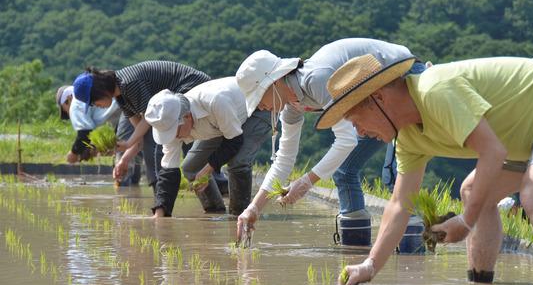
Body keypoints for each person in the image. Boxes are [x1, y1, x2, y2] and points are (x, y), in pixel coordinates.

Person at [316, 54, 533, 285]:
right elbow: (399, 205)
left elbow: (492, 152)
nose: (359, 131)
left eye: (356, 120)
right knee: (474, 192)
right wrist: (370, 266)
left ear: (379, 98)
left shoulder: (434, 90)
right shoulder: (407, 138)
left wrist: (466, 221)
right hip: (525, 139)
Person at [234, 38, 426, 247]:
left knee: (394, 176)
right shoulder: (291, 107)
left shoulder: (315, 80)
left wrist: (307, 181)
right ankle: (356, 254)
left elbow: (346, 140)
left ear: (273, 82)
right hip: (373, 104)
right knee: (344, 170)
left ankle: (411, 263)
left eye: (260, 97)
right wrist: (254, 207)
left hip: (402, 77)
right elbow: (284, 159)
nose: (261, 105)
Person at [72, 60, 227, 214]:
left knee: (159, 144)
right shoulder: (121, 96)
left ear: (99, 91)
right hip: (176, 97)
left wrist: (127, 144)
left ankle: (165, 208)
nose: (95, 106)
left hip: (192, 89)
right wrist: (124, 160)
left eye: (92, 102)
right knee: (176, 151)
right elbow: (138, 133)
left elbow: (148, 121)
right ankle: (210, 205)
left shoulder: (128, 84)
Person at [143, 78, 271, 218]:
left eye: (175, 132)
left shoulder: (215, 101)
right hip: (223, 125)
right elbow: (168, 171)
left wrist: (208, 169)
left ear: (186, 117)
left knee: (237, 162)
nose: (174, 138)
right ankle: (215, 210)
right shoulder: (170, 121)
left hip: (258, 108)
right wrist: (160, 212)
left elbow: (234, 141)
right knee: (191, 167)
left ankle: (240, 215)